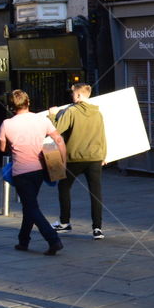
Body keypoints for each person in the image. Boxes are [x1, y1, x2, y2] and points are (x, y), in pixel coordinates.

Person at [0, 89, 66, 255]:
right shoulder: (41, 119)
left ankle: (53, 239)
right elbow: (58, 139)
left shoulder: (7, 124)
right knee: (29, 206)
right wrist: (62, 161)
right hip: (39, 170)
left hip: (21, 171)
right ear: (28, 102)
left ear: (11, 106)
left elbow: (1, 147)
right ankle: (23, 241)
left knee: (31, 207)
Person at [48, 83, 107, 240]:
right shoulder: (98, 113)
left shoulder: (72, 111)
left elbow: (57, 130)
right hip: (95, 158)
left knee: (64, 187)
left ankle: (65, 222)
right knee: (96, 193)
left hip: (74, 158)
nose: (71, 96)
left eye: (73, 94)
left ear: (80, 95)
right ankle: (97, 229)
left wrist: (52, 115)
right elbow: (102, 136)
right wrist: (104, 155)